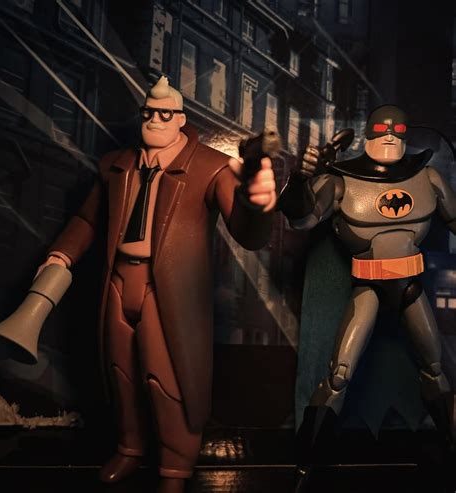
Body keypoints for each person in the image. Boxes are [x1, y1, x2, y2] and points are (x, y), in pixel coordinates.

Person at [37, 76, 277, 493]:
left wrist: (257, 205)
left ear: (181, 119)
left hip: (169, 289)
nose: (154, 120)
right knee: (121, 372)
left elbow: (246, 231)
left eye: (165, 114)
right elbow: (87, 220)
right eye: (148, 112)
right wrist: (61, 255)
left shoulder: (209, 166)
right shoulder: (117, 165)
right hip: (118, 279)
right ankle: (130, 447)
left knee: (167, 380)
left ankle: (175, 467)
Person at [278, 104, 455, 485]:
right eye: (382, 129)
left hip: (410, 285)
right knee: (339, 375)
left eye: (397, 130)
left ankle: (451, 447)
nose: (389, 135)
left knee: (435, 368)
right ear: (369, 134)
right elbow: (301, 218)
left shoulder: (427, 177)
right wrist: (301, 179)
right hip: (368, 286)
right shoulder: (341, 182)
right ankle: (305, 465)